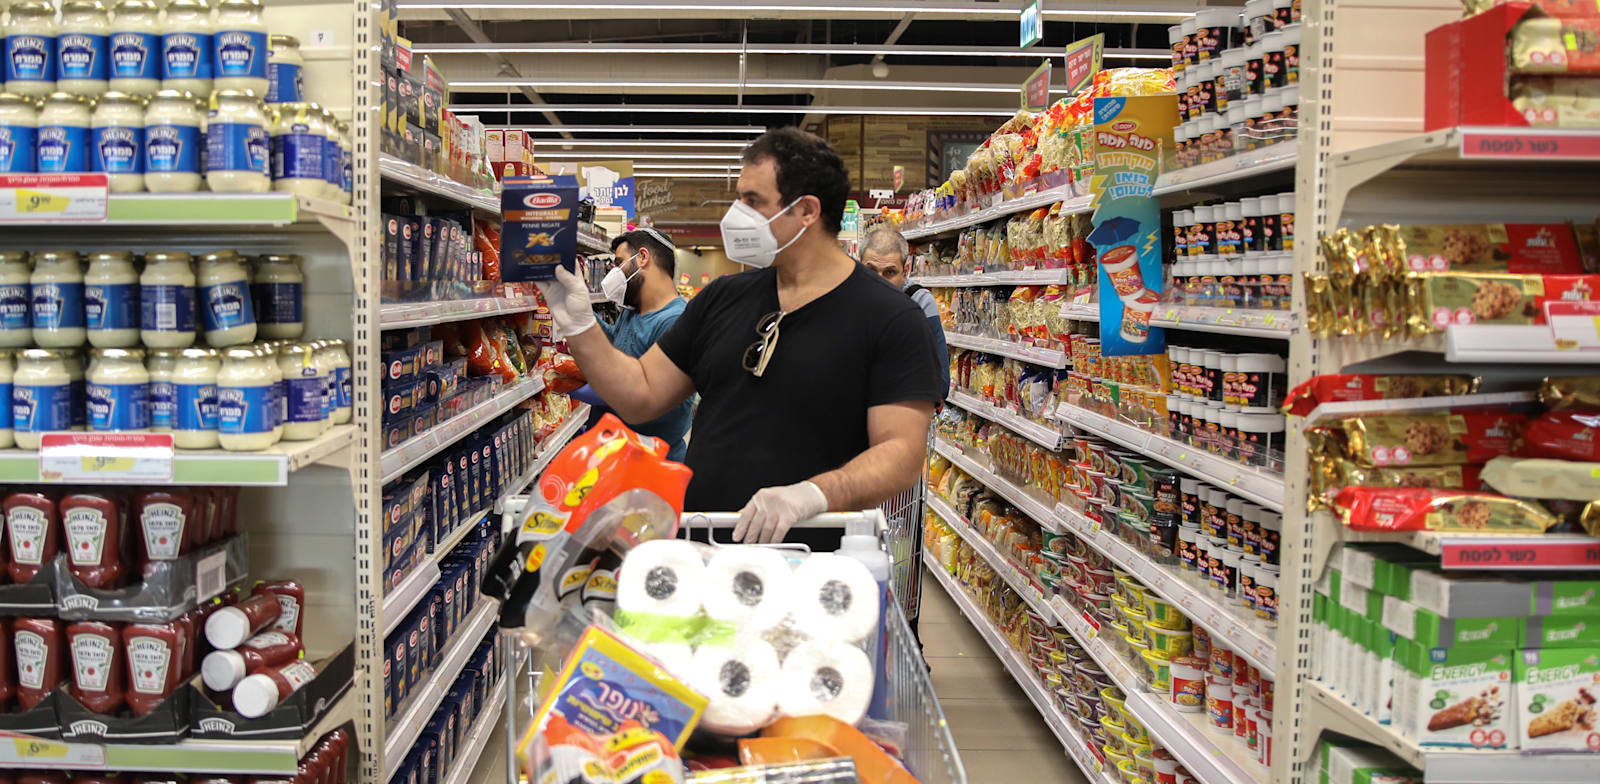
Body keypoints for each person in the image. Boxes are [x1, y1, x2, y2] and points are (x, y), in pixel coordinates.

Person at [537, 127, 945, 544]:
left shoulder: (892, 319)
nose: (735, 214)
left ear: (807, 210)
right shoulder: (721, 299)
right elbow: (641, 393)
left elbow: (901, 452)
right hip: (704, 555)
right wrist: (580, 326)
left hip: (813, 569)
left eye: (752, 201)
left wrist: (815, 493)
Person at [572, 227, 693, 462]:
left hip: (650, 463)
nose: (614, 272)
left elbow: (674, 407)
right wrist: (583, 317)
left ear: (643, 258)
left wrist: (608, 393)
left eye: (619, 263)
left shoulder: (675, 321)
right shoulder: (633, 310)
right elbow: (617, 345)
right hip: (614, 454)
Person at [861, 225, 950, 392]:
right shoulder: (846, 300)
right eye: (871, 270)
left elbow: (941, 383)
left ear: (905, 271)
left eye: (889, 272)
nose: (879, 282)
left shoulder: (920, 302)